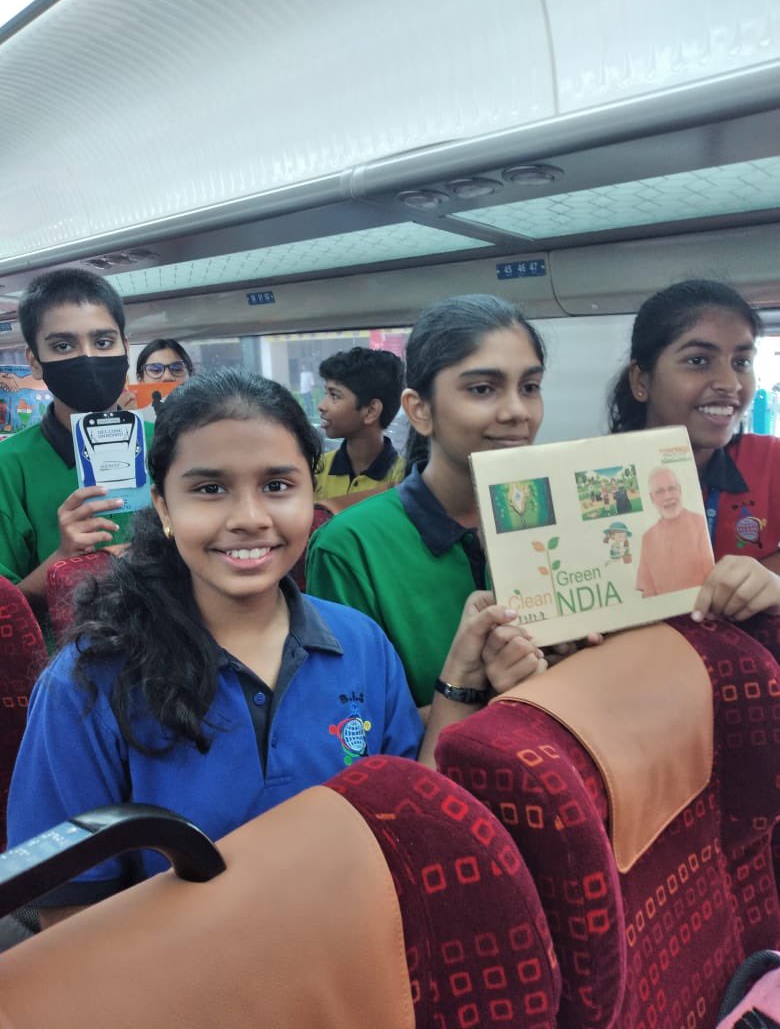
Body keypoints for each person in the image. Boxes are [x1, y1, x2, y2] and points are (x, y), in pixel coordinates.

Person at [7, 368, 544, 928]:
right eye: (209, 489)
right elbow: (70, 920)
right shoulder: (86, 684)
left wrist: (460, 681)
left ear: (311, 496)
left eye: (277, 486)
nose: (250, 519)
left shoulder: (360, 644)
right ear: (164, 507)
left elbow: (405, 818)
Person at [306, 294, 552, 707]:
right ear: (419, 410)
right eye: (482, 389)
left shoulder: (554, 517)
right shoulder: (349, 547)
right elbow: (355, 727)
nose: (517, 411)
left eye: (529, 387)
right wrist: (485, 695)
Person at [608, 279, 780, 621]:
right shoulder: (602, 476)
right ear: (641, 381)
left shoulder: (770, 462)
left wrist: (774, 582)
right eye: (698, 360)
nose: (730, 383)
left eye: (741, 362)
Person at [0, 269, 152, 607]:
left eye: (103, 342)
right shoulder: (8, 466)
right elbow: (6, 609)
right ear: (35, 361)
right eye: (63, 346)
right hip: (65, 640)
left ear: (125, 348)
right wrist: (63, 561)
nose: (88, 357)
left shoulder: (168, 444)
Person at [315, 347, 405, 501]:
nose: (321, 406)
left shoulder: (404, 480)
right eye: (326, 393)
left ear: (371, 411)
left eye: (334, 395)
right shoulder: (316, 470)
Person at [635, 467, 712, 596]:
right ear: (652, 498)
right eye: (660, 492)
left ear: (679, 490)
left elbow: (711, 579)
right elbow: (647, 589)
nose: (668, 496)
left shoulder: (700, 523)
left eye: (672, 488)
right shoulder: (648, 538)